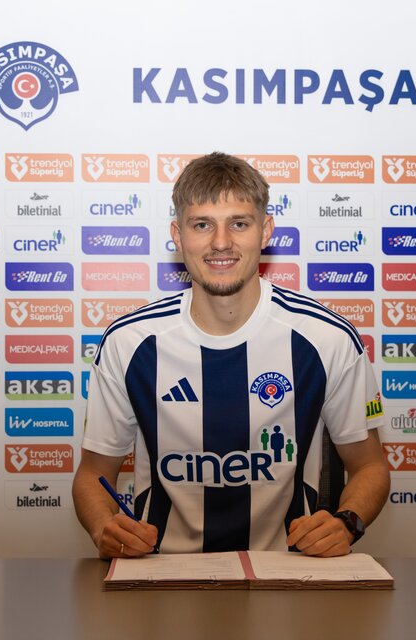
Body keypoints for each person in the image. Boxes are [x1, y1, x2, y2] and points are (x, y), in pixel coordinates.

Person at [72, 152, 390, 559]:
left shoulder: (327, 338)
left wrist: (347, 522)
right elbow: (93, 475)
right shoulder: (128, 342)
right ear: (178, 235)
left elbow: (370, 466)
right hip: (163, 574)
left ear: (265, 231)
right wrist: (103, 527)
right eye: (202, 224)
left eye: (239, 223)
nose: (221, 242)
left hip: (290, 572)